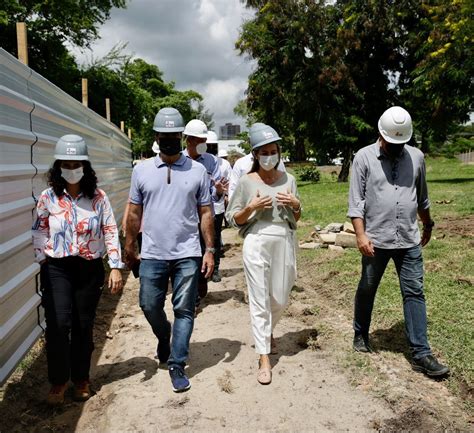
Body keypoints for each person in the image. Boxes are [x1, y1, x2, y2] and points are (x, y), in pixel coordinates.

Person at [348, 106, 449, 377]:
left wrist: (427, 222)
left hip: (408, 238)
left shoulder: (416, 157)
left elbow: (422, 197)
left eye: (401, 142)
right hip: (376, 241)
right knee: (368, 287)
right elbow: (356, 203)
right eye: (392, 142)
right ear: (381, 135)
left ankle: (421, 353)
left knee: (414, 292)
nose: (396, 147)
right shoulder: (363, 158)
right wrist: (360, 235)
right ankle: (360, 333)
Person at [124, 107, 215, 393]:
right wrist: (129, 247)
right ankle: (165, 337)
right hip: (152, 253)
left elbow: (206, 214)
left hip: (187, 252)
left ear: (181, 136)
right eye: (164, 135)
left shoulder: (198, 171)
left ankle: (177, 363)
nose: (169, 139)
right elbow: (134, 213)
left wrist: (210, 249)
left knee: (184, 309)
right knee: (149, 305)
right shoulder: (141, 171)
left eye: (174, 135)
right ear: (156, 137)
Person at [32, 134, 124, 405]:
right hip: (57, 268)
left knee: (83, 325)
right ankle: (59, 381)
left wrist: (115, 266)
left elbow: (110, 229)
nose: (72, 170)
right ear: (58, 167)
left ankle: (81, 379)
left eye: (77, 164)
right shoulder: (48, 197)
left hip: (88, 268)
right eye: (66, 164)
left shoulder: (98, 197)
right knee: (59, 325)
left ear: (85, 166)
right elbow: (39, 230)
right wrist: (42, 258)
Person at [226, 123, 301, 385]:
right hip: (256, 239)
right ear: (255, 155)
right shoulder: (247, 182)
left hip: (283, 238)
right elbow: (232, 218)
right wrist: (252, 206)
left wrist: (296, 204)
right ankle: (263, 356)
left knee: (280, 297)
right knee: (259, 299)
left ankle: (267, 332)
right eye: (264, 152)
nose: (270, 156)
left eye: (274, 151)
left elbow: (297, 217)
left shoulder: (289, 179)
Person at [182, 120, 226, 301]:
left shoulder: (211, 161)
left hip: (205, 218)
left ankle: (199, 289)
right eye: (199, 140)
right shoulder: (179, 160)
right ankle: (190, 298)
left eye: (204, 140)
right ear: (188, 140)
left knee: (204, 253)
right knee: (187, 259)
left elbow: (213, 197)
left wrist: (218, 191)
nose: (203, 144)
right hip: (185, 219)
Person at [206, 131, 232, 282]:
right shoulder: (197, 162)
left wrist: (226, 194)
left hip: (217, 207)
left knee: (215, 238)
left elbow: (230, 184)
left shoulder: (224, 164)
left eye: (212, 146)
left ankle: (215, 268)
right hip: (200, 209)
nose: (210, 148)